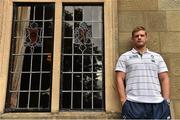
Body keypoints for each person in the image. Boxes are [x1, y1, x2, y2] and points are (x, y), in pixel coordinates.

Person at [115, 26, 171, 119]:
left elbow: (164, 78)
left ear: (146, 37)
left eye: (142, 35)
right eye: (136, 36)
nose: (139, 37)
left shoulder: (157, 57)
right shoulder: (124, 57)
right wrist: (123, 101)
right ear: (132, 39)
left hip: (157, 104)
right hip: (133, 103)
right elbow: (119, 78)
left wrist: (166, 101)